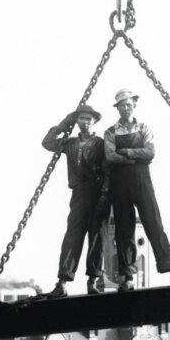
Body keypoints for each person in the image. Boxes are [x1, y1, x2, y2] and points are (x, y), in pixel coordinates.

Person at [104, 88, 170, 291]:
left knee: (154, 224)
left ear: (134, 105)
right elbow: (110, 156)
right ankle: (127, 277)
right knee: (124, 230)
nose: (126, 107)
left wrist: (127, 152)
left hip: (142, 182)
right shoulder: (110, 132)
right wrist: (135, 157)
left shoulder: (144, 128)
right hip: (120, 184)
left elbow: (150, 153)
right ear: (118, 108)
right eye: (122, 105)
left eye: (129, 104)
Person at [41, 104, 110, 297]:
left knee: (96, 237)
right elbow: (47, 142)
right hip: (79, 193)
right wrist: (65, 123)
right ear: (76, 121)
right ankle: (63, 282)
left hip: (97, 192)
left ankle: (92, 280)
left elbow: (108, 172)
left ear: (94, 121)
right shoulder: (69, 143)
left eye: (88, 119)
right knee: (73, 235)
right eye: (81, 118)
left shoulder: (101, 144)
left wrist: (105, 196)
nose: (85, 122)